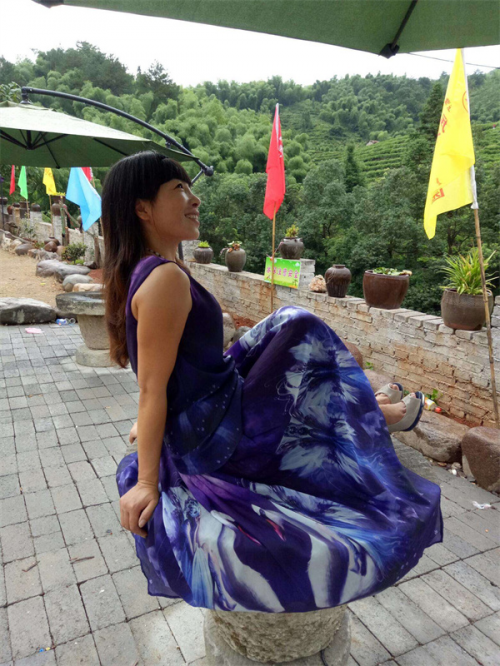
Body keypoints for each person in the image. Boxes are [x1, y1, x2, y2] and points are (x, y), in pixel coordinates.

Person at [102, 151, 442, 614]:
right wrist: (146, 480)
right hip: (214, 435)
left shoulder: (161, 269)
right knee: (299, 328)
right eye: (179, 189)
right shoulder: (164, 280)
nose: (195, 199)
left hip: (213, 403)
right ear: (143, 208)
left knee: (290, 328)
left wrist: (150, 425)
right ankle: (378, 413)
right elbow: (151, 387)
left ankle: (376, 410)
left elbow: (170, 370)